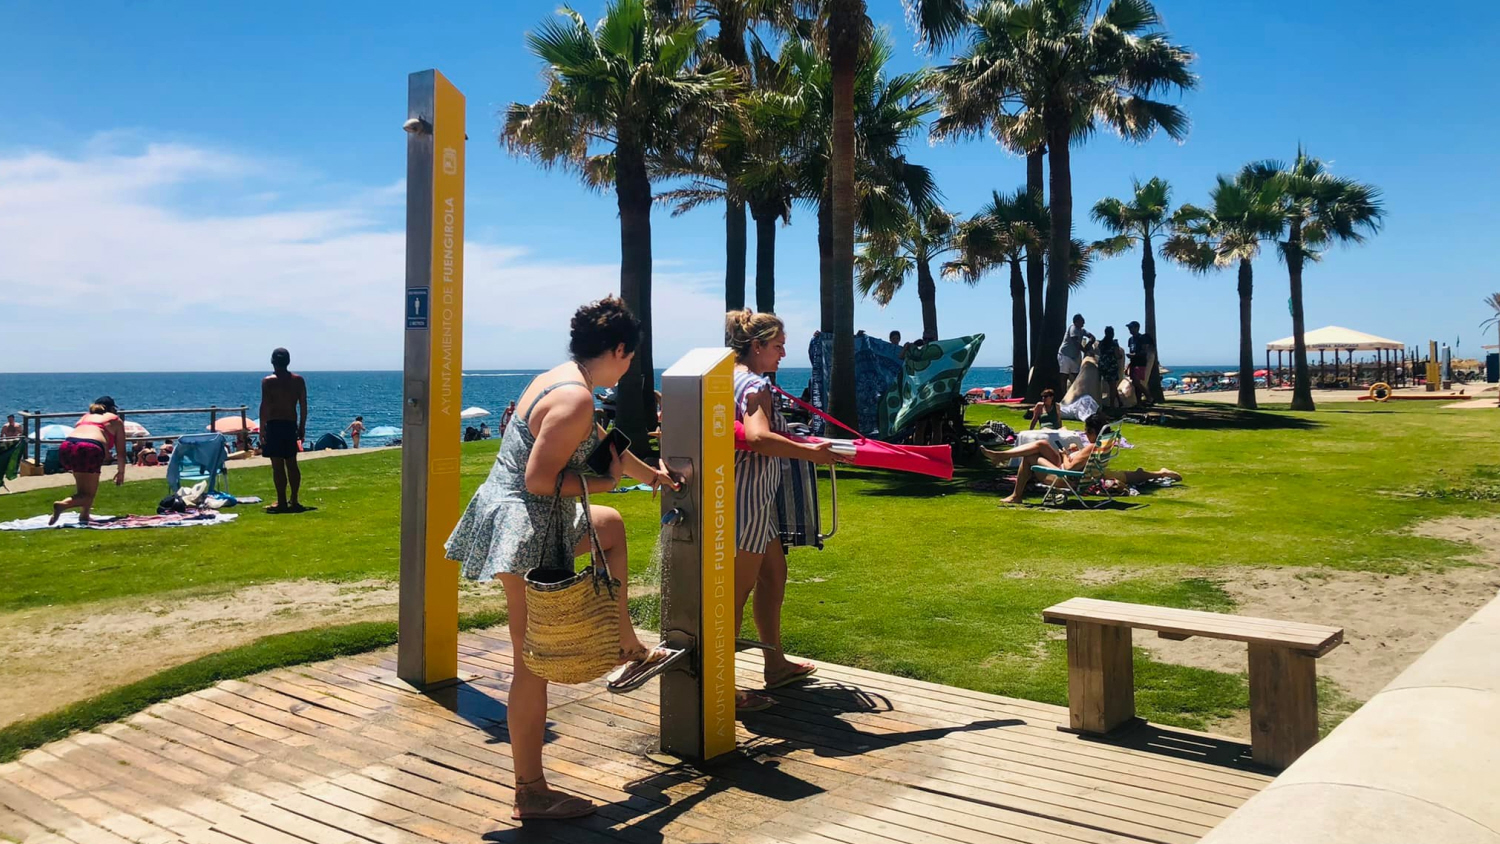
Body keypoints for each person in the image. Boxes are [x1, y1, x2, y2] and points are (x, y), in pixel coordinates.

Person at [443, 297, 678, 821]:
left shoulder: (560, 380)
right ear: (619, 350)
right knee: (531, 664)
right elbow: (538, 480)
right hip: (524, 528)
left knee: (610, 526)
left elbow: (602, 443)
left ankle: (625, 642)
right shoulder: (575, 398)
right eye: (631, 359)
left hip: (527, 517)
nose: (630, 369)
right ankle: (530, 791)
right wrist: (607, 483)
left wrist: (653, 477)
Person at [727, 309, 848, 713]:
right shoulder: (755, 385)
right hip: (746, 501)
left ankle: (775, 664)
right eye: (777, 346)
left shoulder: (726, 378)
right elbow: (758, 438)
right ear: (757, 346)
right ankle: (718, 686)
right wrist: (811, 452)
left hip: (751, 498)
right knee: (734, 595)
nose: (782, 353)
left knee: (774, 574)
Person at [49, 397, 126, 525]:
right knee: (88, 495)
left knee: (84, 490)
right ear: (112, 409)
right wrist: (121, 472)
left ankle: (84, 515)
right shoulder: (115, 420)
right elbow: (121, 452)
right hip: (89, 448)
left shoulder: (85, 417)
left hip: (67, 446)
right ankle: (63, 505)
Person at [260, 348, 309, 513]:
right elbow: (303, 405)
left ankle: (282, 501)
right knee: (292, 463)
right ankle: (293, 500)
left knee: (277, 465)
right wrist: (302, 426)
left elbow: (265, 406)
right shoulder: (298, 380)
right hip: (290, 424)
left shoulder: (268, 381)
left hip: (274, 425)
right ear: (288, 361)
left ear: (272, 361)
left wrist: (262, 429)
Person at [1058, 314, 1094, 393]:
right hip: (1065, 355)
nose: (1083, 323)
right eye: (1082, 321)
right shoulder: (1073, 328)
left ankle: (1075, 393)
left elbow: (1092, 337)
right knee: (1064, 376)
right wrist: (1085, 351)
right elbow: (1076, 342)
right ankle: (1063, 395)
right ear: (1076, 322)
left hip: (1075, 356)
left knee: (1076, 376)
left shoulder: (1082, 330)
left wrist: (1089, 344)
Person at [1127, 321, 1155, 405]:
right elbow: (1131, 350)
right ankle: (1138, 402)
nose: (1130, 329)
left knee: (1136, 382)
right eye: (1129, 328)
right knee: (1135, 384)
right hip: (1133, 363)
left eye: (1131, 328)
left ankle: (1149, 397)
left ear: (1137, 328)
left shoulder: (1142, 338)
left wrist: (1134, 355)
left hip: (1140, 363)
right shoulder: (1130, 340)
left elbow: (1144, 352)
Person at [1096, 327, 1123, 408]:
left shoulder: (1101, 343)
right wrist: (1121, 356)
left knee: (1112, 385)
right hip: (1111, 366)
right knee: (1112, 386)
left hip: (1103, 366)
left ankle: (1119, 401)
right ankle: (1112, 405)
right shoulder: (1114, 343)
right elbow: (1117, 355)